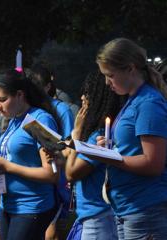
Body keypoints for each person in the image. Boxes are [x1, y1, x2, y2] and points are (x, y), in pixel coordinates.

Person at [94, 38, 167, 239]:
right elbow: (132, 148)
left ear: (130, 69)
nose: (107, 83)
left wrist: (110, 157)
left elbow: (153, 163)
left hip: (145, 208)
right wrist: (108, 146)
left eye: (110, 75)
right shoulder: (134, 100)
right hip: (129, 206)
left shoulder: (148, 104)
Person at [0, 70, 59, 240]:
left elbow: (52, 174)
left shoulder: (39, 120)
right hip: (9, 205)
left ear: (20, 95)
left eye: (2, 100)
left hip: (31, 206)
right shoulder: (14, 119)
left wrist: (8, 167)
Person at [65, 71, 122, 239]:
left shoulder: (99, 135)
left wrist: (76, 133)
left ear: (100, 97)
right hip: (93, 215)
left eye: (88, 93)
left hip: (99, 217)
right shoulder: (94, 132)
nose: (82, 97)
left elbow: (71, 172)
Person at [28, 65, 74, 240]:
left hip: (56, 176)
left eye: (38, 86)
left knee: (51, 231)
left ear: (48, 87)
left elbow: (68, 144)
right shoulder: (28, 110)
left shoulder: (61, 109)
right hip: (34, 178)